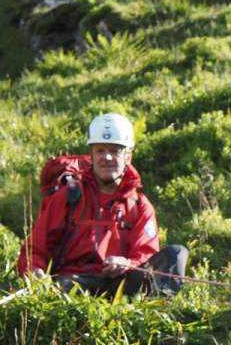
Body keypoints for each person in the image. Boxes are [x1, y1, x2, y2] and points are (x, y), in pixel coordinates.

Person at [17, 113, 188, 297]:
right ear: (91, 154)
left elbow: (145, 255)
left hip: (123, 286)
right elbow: (35, 249)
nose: (106, 157)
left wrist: (126, 264)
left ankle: (160, 314)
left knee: (176, 253)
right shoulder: (67, 197)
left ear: (128, 156)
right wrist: (35, 273)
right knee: (66, 285)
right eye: (100, 150)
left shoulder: (140, 206)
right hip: (74, 284)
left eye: (115, 150)